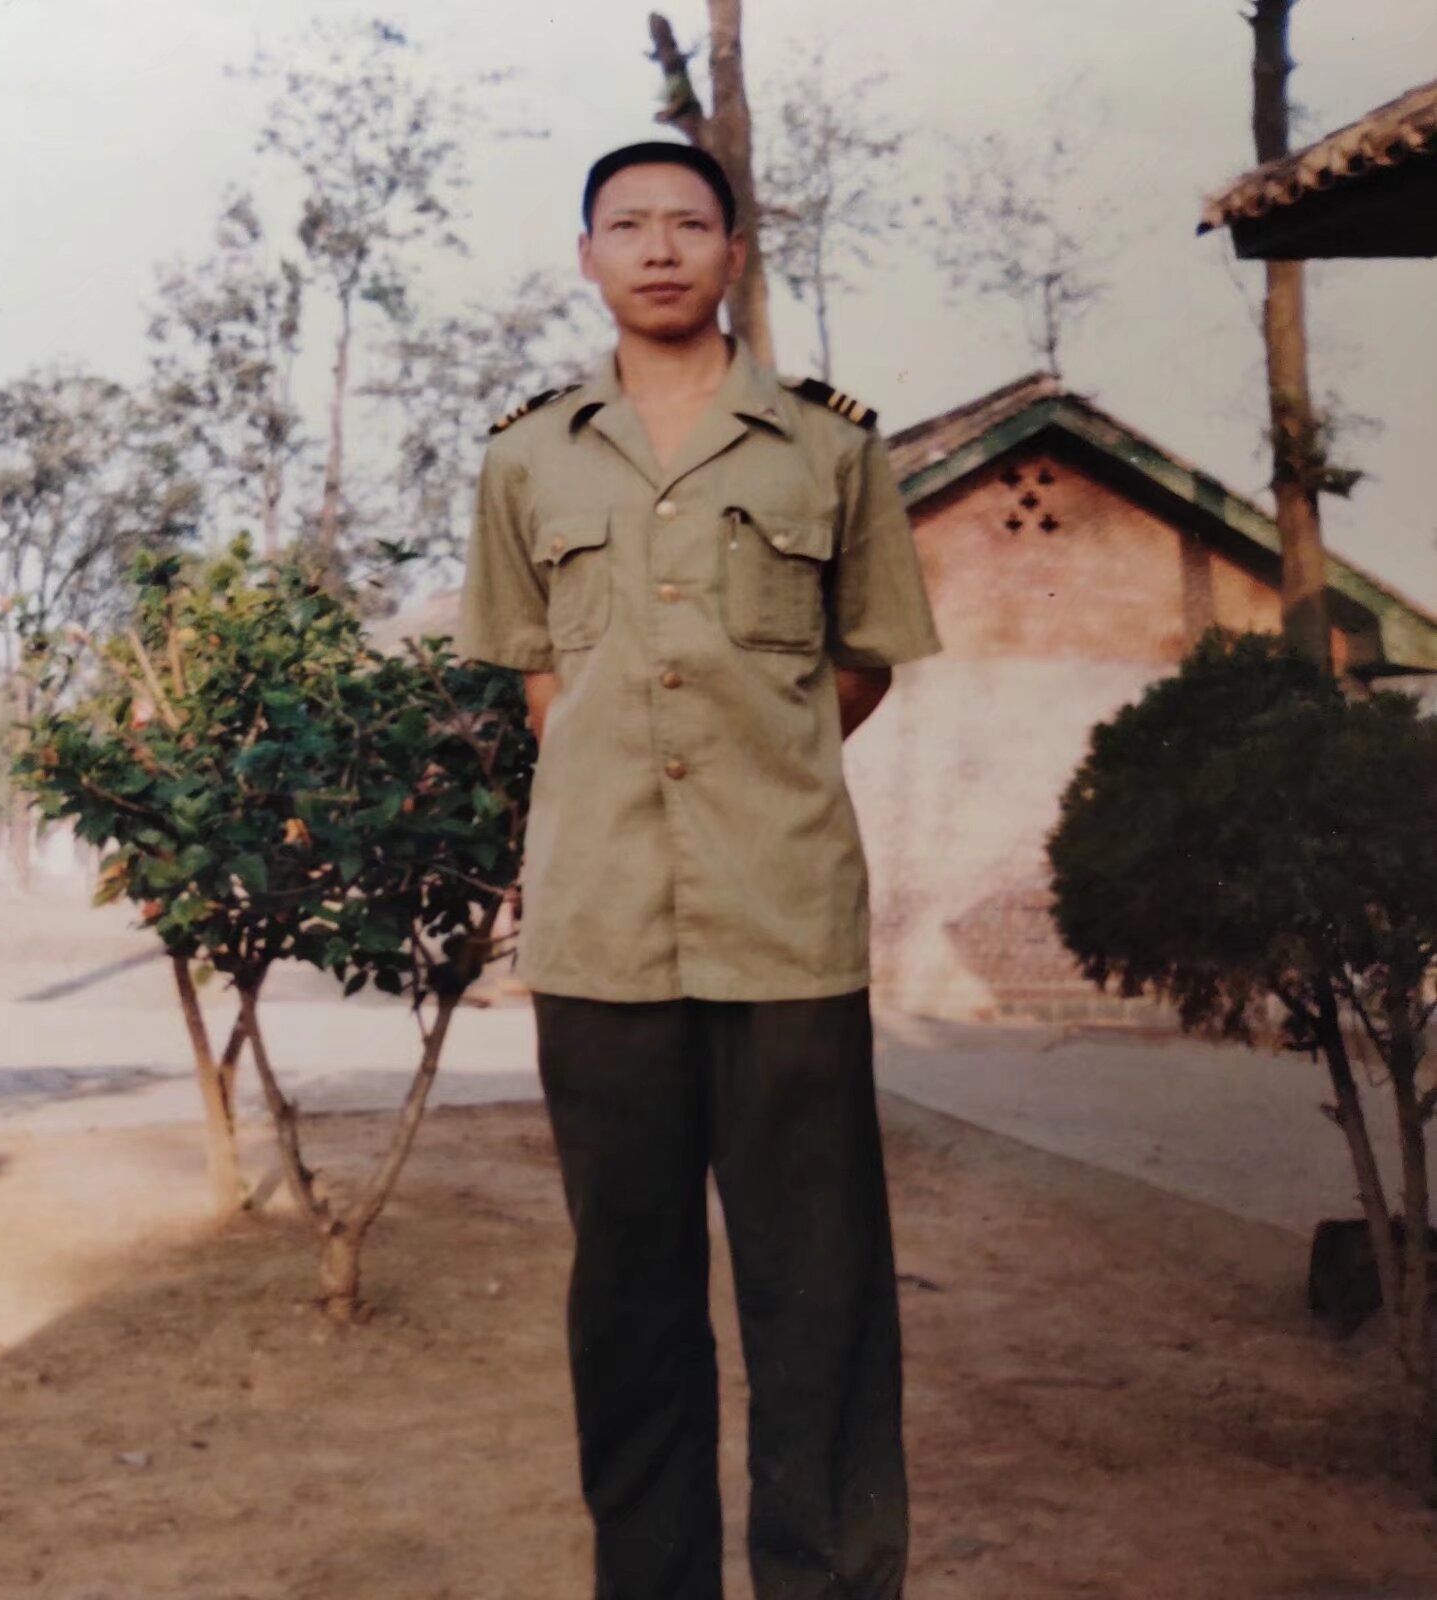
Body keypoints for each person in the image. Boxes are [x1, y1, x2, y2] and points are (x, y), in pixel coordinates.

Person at [455, 140, 943, 1600]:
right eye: (627, 226)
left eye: (687, 223)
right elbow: (538, 677)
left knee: (821, 1294)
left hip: (783, 918)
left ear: (736, 249)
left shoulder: (828, 449)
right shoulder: (526, 456)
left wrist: (759, 762)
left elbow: (860, 662)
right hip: (599, 926)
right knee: (628, 1298)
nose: (658, 249)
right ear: (587, 257)